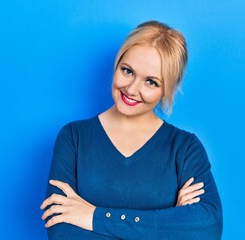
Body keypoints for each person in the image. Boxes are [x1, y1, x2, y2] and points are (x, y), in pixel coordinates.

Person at [40, 20, 222, 239]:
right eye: (127, 71)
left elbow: (207, 229)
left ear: (166, 91)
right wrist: (170, 221)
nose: (132, 89)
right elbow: (62, 232)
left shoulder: (185, 148)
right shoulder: (74, 138)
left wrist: (93, 217)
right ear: (117, 65)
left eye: (151, 82)